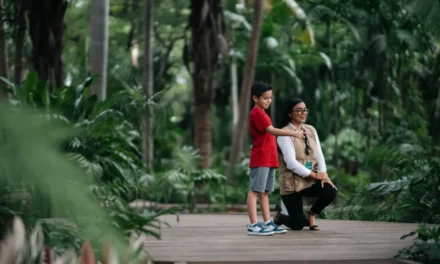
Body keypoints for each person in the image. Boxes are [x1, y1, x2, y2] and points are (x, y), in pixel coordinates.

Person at [246, 82, 306, 236]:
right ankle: (253, 224)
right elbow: (271, 131)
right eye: (265, 98)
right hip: (260, 158)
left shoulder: (264, 113)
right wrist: (293, 133)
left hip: (269, 159)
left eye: (270, 98)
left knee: (265, 192)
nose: (269, 101)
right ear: (255, 98)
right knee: (254, 190)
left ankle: (267, 222)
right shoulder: (257, 113)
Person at [274, 98, 337, 231]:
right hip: (292, 184)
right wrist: (315, 175)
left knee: (330, 191)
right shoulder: (284, 134)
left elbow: (319, 154)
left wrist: (323, 174)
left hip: (309, 180)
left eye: (305, 110)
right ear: (290, 113)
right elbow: (290, 163)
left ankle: (311, 215)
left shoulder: (311, 130)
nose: (303, 113)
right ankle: (279, 217)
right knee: (298, 225)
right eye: (299, 110)